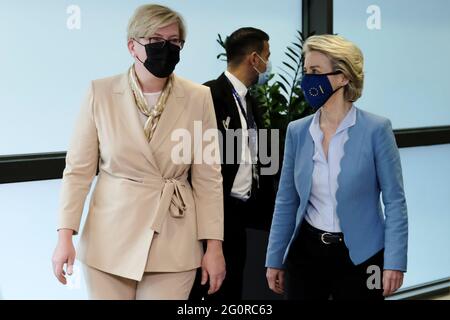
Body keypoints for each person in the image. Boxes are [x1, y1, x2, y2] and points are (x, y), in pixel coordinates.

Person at [51, 4, 225, 300]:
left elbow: (209, 178)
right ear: (133, 46)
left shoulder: (199, 97)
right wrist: (65, 236)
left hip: (174, 236)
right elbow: (78, 171)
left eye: (174, 42)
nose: (166, 48)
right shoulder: (101, 93)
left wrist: (214, 247)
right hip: (110, 237)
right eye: (156, 41)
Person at [265, 34, 408, 300]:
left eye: (316, 71)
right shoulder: (298, 131)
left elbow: (395, 201)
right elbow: (286, 200)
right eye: (306, 71)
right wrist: (274, 257)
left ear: (343, 77)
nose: (307, 79)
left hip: (363, 256)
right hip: (305, 254)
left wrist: (395, 261)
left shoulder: (377, 129)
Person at [190, 27, 276, 301]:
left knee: (232, 291)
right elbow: (199, 166)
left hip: (241, 219)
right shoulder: (209, 95)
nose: (268, 63)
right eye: (267, 56)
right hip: (213, 217)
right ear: (254, 59)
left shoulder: (252, 101)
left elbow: (262, 159)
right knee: (207, 291)